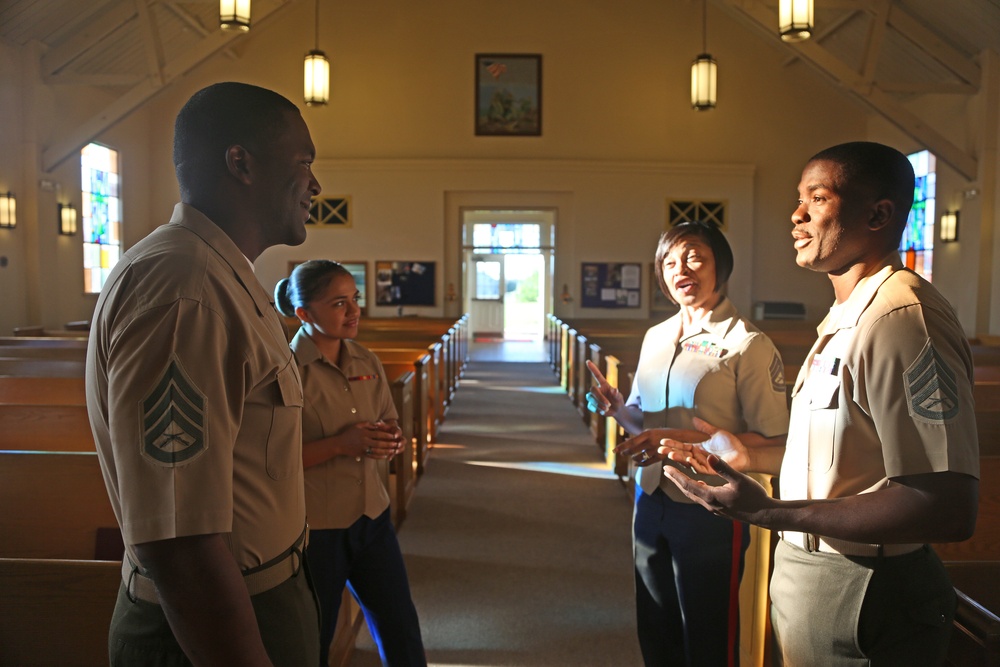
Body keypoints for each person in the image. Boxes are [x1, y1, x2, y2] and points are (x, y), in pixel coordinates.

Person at [660, 142, 980, 666]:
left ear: (878, 214)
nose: (797, 214)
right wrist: (752, 455)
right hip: (816, 569)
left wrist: (770, 509)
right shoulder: (848, 315)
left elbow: (947, 504)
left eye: (818, 198)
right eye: (798, 198)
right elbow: (847, 453)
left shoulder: (901, 318)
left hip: (865, 582)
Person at [86, 81, 323, 666]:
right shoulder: (184, 288)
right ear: (240, 163)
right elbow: (179, 538)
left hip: (256, 596)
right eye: (304, 163)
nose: (315, 184)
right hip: (215, 623)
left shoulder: (219, 276)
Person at [585, 220, 789, 666]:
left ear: (721, 265)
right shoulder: (656, 336)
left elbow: (778, 440)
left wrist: (695, 441)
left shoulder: (746, 343)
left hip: (710, 504)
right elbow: (645, 421)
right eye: (670, 261)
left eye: (695, 256)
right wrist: (617, 407)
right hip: (651, 494)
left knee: (710, 630)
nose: (682, 268)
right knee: (655, 623)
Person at [275, 260, 427, 667]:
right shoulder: (286, 371)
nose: (354, 311)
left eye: (355, 300)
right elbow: (274, 461)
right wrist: (342, 444)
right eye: (339, 303)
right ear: (304, 314)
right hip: (317, 529)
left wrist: (391, 440)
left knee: (400, 626)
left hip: (371, 516)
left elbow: (389, 419)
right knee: (316, 639)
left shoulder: (366, 360)